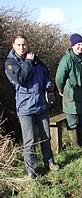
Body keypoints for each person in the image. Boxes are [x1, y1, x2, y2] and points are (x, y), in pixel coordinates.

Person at [4, 34, 59, 178]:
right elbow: (20, 79)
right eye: (19, 45)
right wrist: (28, 61)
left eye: (24, 45)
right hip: (25, 107)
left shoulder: (36, 60)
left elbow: (45, 74)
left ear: (27, 45)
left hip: (41, 104)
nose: (22, 47)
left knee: (46, 136)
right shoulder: (11, 63)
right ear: (13, 46)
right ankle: (32, 170)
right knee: (30, 140)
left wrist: (49, 86)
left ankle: (49, 161)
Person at [55, 33, 82, 147]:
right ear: (73, 45)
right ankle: (75, 146)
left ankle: (81, 142)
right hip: (71, 94)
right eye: (78, 44)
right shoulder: (67, 59)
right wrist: (62, 90)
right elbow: (59, 77)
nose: (80, 46)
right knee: (73, 120)